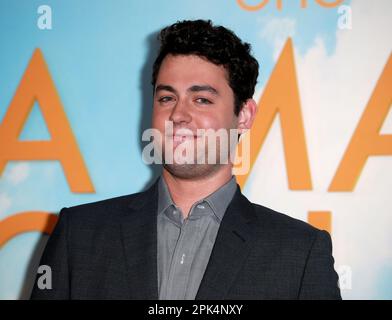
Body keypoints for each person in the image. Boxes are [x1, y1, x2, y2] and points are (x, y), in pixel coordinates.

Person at [31, 19, 341, 300]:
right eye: (167, 98)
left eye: (202, 99)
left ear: (244, 115)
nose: (178, 114)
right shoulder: (80, 235)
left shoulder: (299, 254)